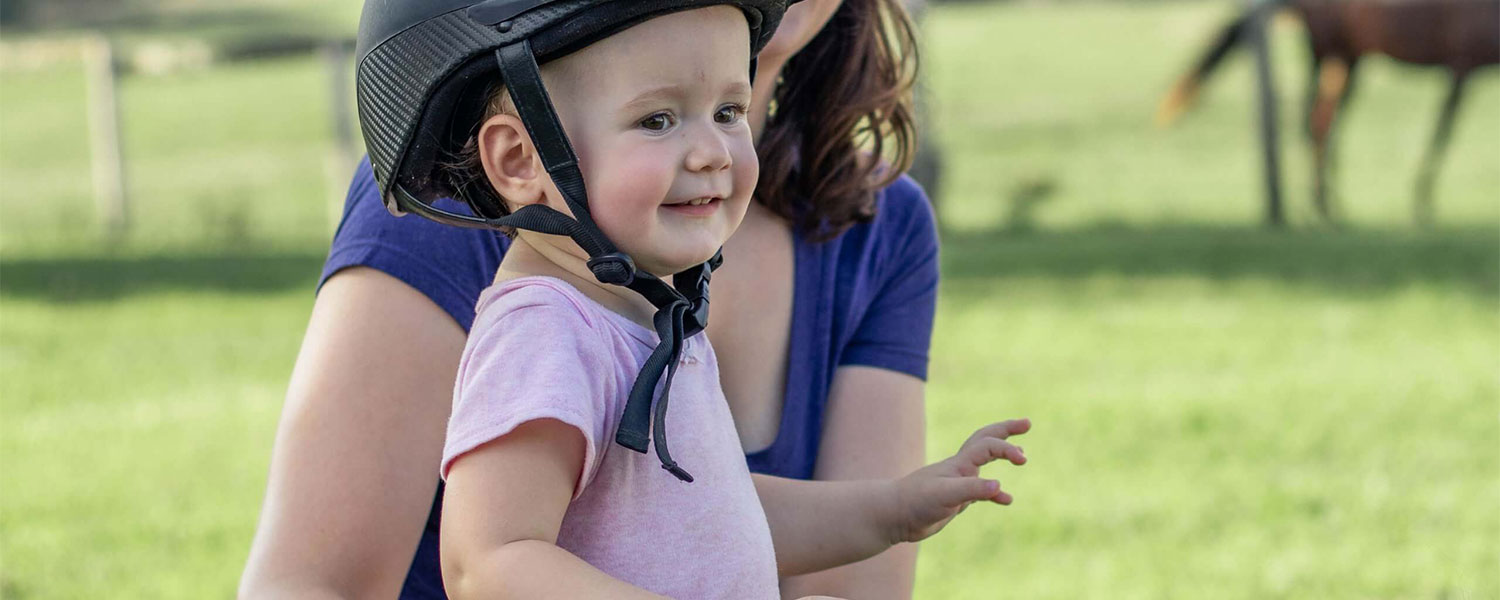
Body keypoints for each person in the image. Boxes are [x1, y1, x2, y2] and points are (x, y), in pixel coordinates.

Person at [239, 0, 997, 598]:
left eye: (727, 114)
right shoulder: (545, 329)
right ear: (519, 159)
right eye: (658, 121)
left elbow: (713, 519)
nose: (708, 151)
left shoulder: (648, 318)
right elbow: (491, 560)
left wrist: (890, 510)